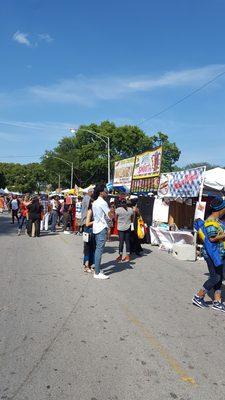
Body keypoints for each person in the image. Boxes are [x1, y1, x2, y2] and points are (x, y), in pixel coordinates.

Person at [193, 196, 225, 312]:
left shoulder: (216, 221)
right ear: (221, 209)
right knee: (215, 277)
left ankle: (217, 301)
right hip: (212, 255)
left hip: (218, 254)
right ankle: (198, 296)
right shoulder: (211, 221)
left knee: (219, 277)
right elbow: (212, 239)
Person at [92, 184, 114, 280]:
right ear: (101, 192)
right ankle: (97, 273)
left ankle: (97, 269)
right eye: (106, 191)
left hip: (96, 227)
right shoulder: (103, 203)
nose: (107, 192)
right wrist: (112, 211)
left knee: (98, 249)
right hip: (101, 228)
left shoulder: (95, 202)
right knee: (99, 250)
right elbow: (110, 216)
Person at [83, 200, 95, 273]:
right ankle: (86, 266)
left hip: (93, 231)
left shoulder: (95, 211)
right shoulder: (90, 211)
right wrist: (96, 221)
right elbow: (87, 224)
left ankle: (90, 265)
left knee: (92, 249)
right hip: (88, 231)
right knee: (87, 249)